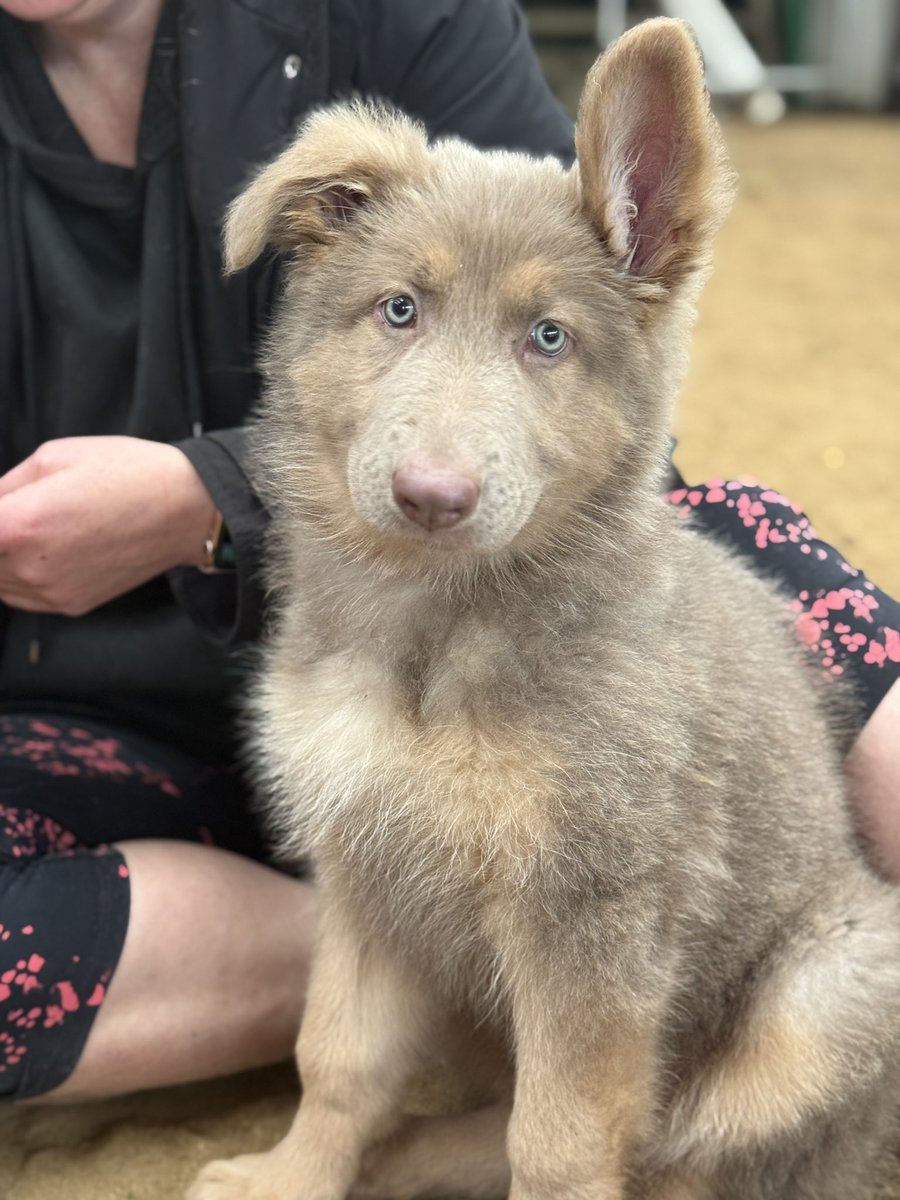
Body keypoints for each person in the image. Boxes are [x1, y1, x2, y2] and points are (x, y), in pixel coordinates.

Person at [0, 0, 896, 1105]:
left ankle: (756, 971)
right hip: (96, 704)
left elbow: (586, 332)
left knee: (739, 550)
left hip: (504, 614)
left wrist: (209, 493)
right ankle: (461, 956)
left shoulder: (394, 12)